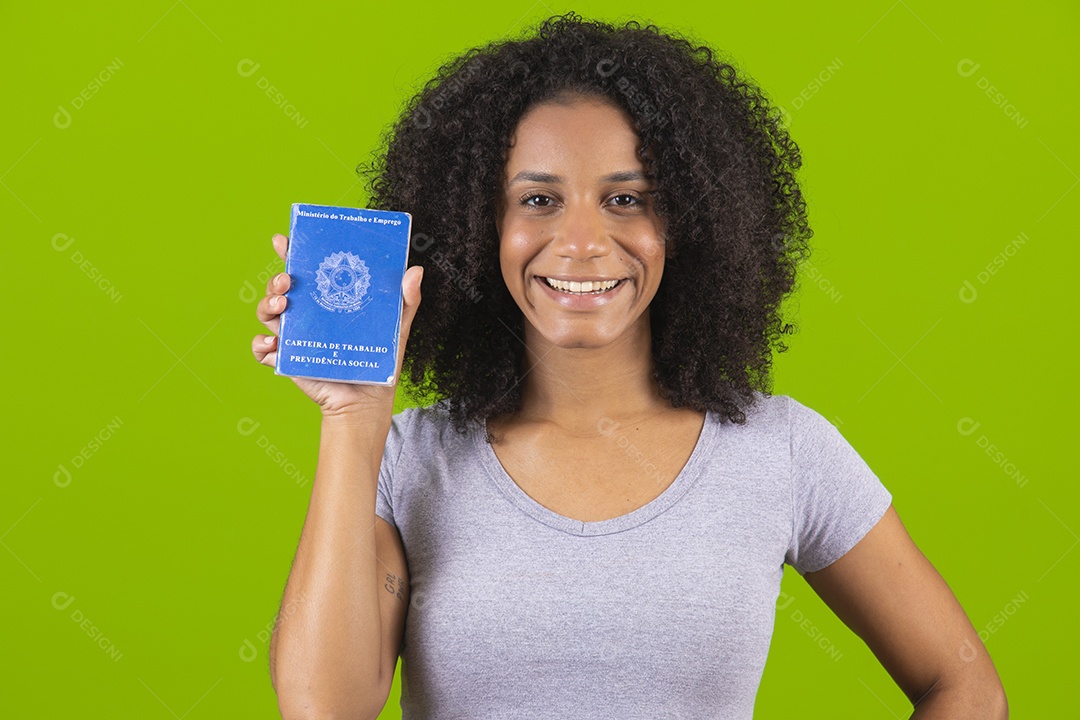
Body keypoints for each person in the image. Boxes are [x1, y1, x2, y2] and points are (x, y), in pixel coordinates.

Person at [252, 13, 1007, 720]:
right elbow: (326, 708)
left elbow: (962, 681)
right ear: (483, 227)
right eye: (539, 199)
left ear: (688, 223)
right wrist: (353, 420)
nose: (582, 241)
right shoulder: (407, 456)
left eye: (627, 200)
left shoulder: (784, 451)